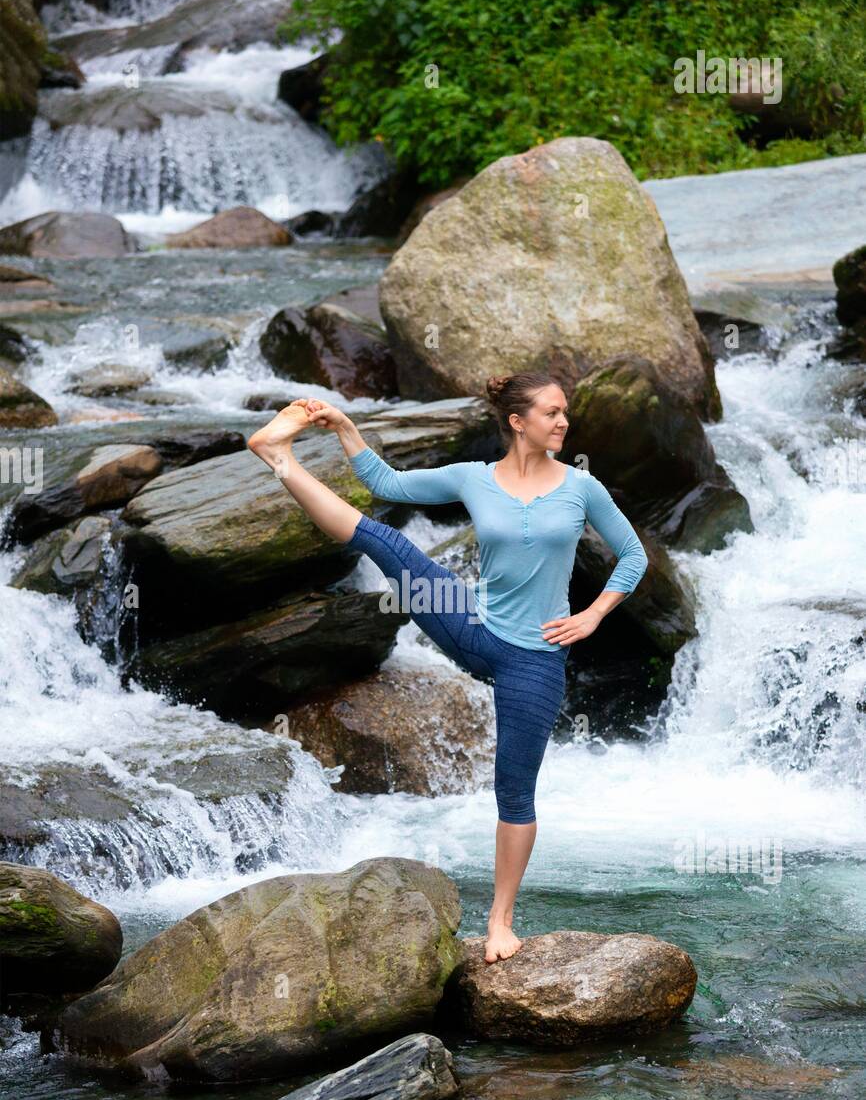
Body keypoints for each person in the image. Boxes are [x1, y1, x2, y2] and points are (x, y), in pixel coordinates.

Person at [248, 371, 648, 962]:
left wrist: (592, 616)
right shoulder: (474, 479)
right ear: (518, 422)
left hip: (534, 660)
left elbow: (633, 555)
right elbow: (386, 481)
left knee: (514, 792)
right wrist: (348, 430)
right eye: (552, 413)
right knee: (386, 542)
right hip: (472, 627)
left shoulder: (582, 488)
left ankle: (501, 923)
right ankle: (274, 455)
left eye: (565, 413)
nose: (563, 422)